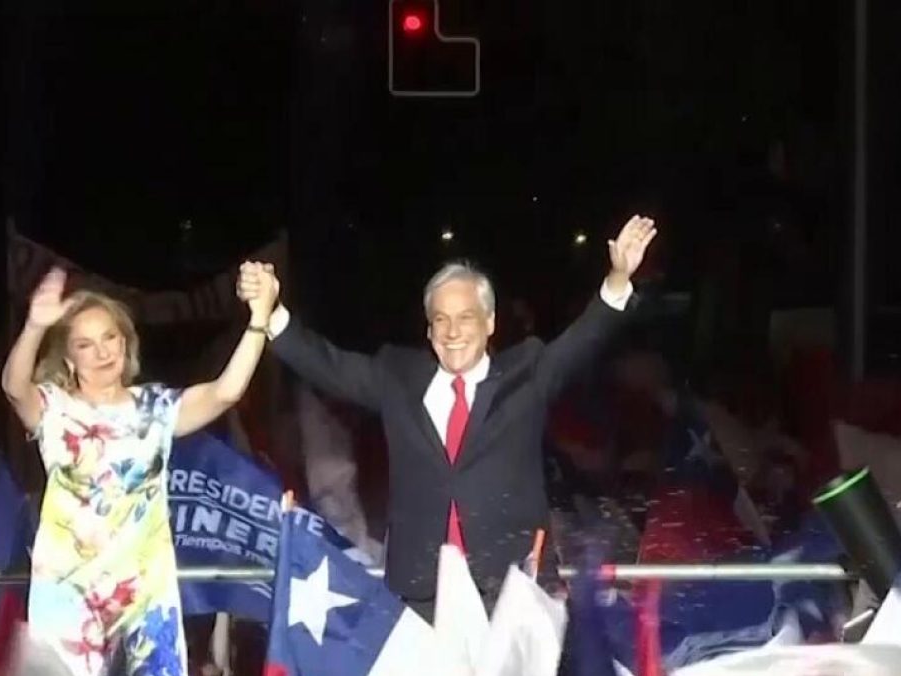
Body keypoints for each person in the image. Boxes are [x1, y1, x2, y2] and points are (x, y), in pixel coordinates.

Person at [237, 216, 657, 618]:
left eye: (464, 318)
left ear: (490, 322)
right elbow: (326, 364)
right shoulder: (397, 378)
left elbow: (580, 341)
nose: (452, 332)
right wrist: (270, 313)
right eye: (440, 320)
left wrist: (618, 279)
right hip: (420, 594)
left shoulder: (526, 374)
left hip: (510, 591)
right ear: (428, 330)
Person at [1, 267, 279, 676]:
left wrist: (259, 319)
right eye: (85, 345)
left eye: (109, 338)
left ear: (125, 341)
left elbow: (226, 392)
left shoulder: (156, 408)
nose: (101, 352)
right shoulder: (55, 409)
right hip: (70, 602)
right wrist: (35, 325)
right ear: (69, 358)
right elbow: (14, 387)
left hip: (144, 598)